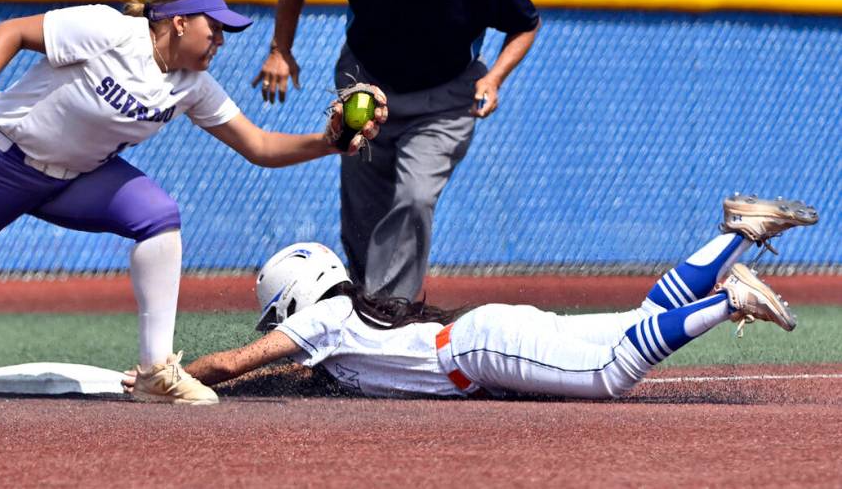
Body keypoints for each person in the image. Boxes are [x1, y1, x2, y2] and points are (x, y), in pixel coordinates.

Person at [0, 0, 386, 405]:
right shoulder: (108, 30)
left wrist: (329, 143)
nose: (221, 40)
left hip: (75, 179)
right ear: (179, 23)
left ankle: (157, 372)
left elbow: (261, 147)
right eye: (215, 27)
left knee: (158, 216)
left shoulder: (192, 86)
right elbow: (12, 31)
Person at [139, 194, 817, 400]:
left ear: (291, 297)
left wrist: (160, 374)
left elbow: (236, 363)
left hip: (482, 347)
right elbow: (285, 371)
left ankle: (730, 298)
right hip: (484, 334)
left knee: (612, 376)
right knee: (643, 321)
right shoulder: (346, 321)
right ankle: (735, 232)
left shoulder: (325, 317)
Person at [252, 0, 541, 300]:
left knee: (415, 195)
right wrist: (280, 49)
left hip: (445, 99)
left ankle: (393, 309)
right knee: (362, 200)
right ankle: (365, 301)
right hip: (366, 84)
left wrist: (494, 77)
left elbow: (526, 23)